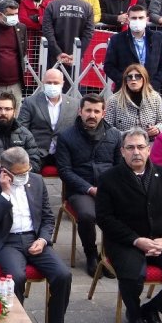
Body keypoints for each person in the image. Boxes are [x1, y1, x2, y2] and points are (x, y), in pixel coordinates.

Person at [0, 147, 72, 323]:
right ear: (4, 171)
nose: (24, 176)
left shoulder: (36, 181)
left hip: (34, 238)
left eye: (27, 170)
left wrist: (43, 239)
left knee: (63, 275)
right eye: (19, 173)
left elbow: (47, 217)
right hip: (7, 242)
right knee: (16, 278)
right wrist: (5, 193)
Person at [97, 128, 162, 323]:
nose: (135, 152)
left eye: (140, 147)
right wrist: (137, 240)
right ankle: (135, 315)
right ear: (122, 151)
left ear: (149, 150)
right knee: (133, 275)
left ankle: (152, 309)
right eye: (130, 148)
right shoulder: (109, 178)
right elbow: (105, 218)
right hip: (126, 242)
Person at [55, 94, 122, 276]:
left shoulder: (115, 135)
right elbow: (64, 171)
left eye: (96, 111)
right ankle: (91, 254)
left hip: (108, 189)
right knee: (86, 214)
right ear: (80, 111)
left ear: (103, 113)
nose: (92, 115)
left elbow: (120, 167)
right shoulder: (66, 137)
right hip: (80, 189)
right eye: (88, 110)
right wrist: (90, 189)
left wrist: (109, 189)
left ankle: (108, 254)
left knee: (124, 210)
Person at [17, 69, 80, 167]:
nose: (52, 85)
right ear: (43, 83)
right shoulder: (30, 102)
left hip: (63, 153)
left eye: (56, 83)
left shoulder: (74, 104)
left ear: (62, 84)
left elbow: (78, 130)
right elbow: (21, 129)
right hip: (36, 153)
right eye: (49, 82)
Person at [104, 4, 162, 91]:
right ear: (128, 20)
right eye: (134, 18)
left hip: (151, 90)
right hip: (125, 90)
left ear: (147, 19)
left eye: (141, 17)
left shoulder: (158, 38)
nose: (137, 20)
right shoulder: (117, 39)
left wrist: (154, 84)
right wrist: (126, 82)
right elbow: (109, 66)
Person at [42, 0, 95, 69]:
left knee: (54, 83)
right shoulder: (87, 7)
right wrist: (77, 53)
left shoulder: (52, 5)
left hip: (55, 58)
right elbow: (88, 33)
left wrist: (58, 53)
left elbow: (47, 31)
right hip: (74, 58)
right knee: (74, 83)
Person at [105, 64, 162, 137]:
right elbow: (107, 127)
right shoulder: (114, 100)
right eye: (129, 77)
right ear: (126, 81)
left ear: (144, 79)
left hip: (149, 143)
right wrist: (127, 135)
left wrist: (157, 129)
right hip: (123, 144)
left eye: (138, 76)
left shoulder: (155, 98)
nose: (133, 79)